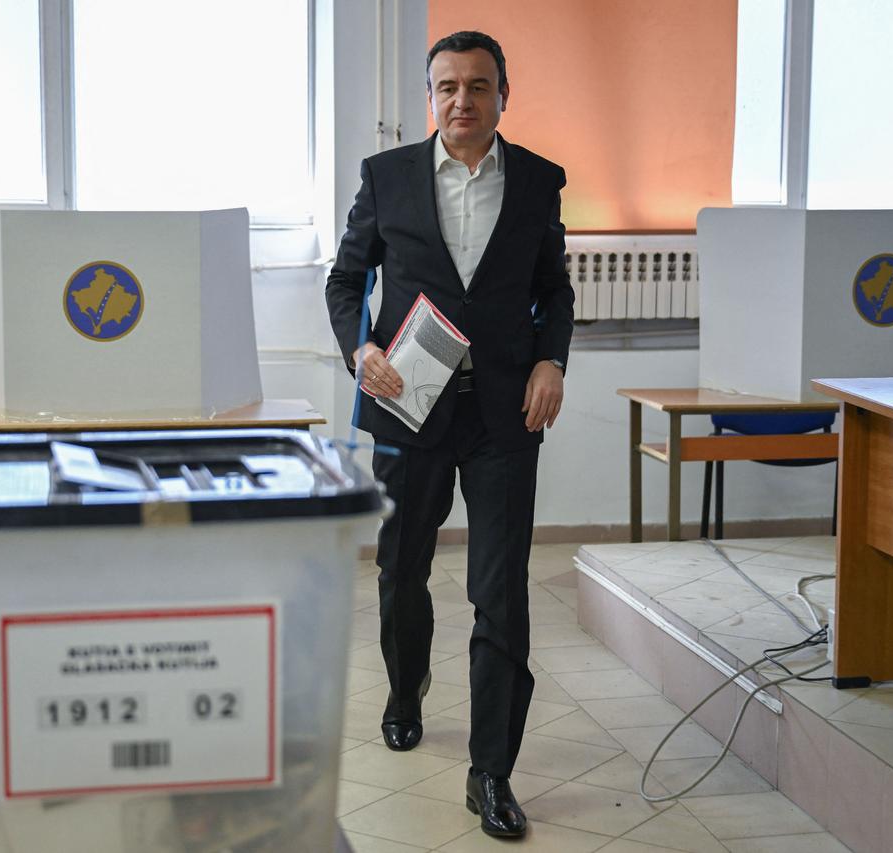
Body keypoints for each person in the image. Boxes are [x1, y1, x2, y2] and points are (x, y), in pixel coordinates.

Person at [326, 30, 574, 839]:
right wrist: (361, 348)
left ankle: (491, 771)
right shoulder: (386, 177)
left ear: (504, 94)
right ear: (428, 97)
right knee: (403, 570)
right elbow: (345, 280)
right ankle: (406, 690)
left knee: (500, 591)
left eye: (478, 86)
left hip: (506, 413)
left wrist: (552, 361)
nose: (461, 100)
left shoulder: (539, 182)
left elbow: (554, 291)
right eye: (446, 87)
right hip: (408, 403)